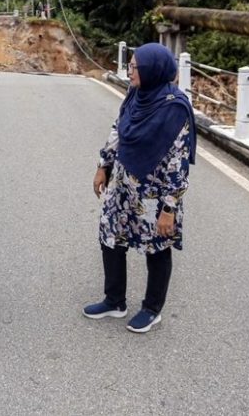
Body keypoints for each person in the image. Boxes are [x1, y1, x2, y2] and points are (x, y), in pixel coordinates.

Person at [84, 43, 196, 333]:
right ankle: (114, 300)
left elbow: (178, 164)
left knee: (156, 247)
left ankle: (152, 308)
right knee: (110, 235)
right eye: (131, 65)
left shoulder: (175, 108)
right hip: (122, 184)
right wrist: (103, 164)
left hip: (155, 194)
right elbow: (118, 127)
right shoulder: (136, 94)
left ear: (152, 70)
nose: (130, 70)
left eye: (135, 66)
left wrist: (169, 209)